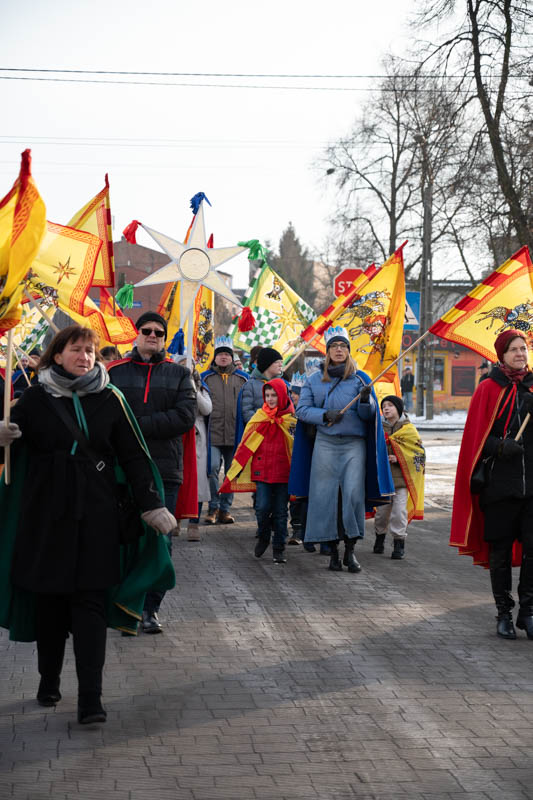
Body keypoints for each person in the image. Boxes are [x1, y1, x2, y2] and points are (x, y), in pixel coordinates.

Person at [0, 325, 176, 724]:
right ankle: (48, 679)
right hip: (45, 516)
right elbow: (13, 453)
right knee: (49, 604)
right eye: (76, 350)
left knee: (89, 604)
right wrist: (3, 436)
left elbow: (134, 456)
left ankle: (91, 699)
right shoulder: (32, 400)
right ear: (57, 355)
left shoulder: (110, 398)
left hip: (96, 516)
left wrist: (151, 505)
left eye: (90, 351)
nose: (84, 357)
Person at [107, 311, 197, 633]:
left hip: (165, 468)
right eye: (146, 330)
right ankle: (123, 604)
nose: (152, 336)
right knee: (122, 537)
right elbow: (103, 413)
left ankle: (150, 609)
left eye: (159, 332)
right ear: (137, 333)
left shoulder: (178, 374)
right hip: (121, 471)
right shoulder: (114, 372)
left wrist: (135, 427)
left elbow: (185, 415)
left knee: (161, 540)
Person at [451, 329, 533, 640]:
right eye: (513, 349)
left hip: (532, 484)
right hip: (499, 487)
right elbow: (476, 439)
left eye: (523, 349)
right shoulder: (488, 389)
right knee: (500, 552)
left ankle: (528, 611)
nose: (520, 354)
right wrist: (500, 446)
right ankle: (504, 612)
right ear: (501, 355)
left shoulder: (532, 387)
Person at [295, 326, 394, 573]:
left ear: (348, 351)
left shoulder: (361, 378)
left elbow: (369, 415)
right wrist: (324, 415)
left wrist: (364, 400)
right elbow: (302, 410)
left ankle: (350, 552)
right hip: (326, 443)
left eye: (343, 347)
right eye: (334, 347)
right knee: (325, 497)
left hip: (354, 444)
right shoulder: (314, 380)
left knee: (352, 495)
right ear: (327, 352)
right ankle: (332, 552)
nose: (339, 350)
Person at [220, 378, 296, 563]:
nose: (270, 399)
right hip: (262, 471)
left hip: (284, 473)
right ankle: (263, 536)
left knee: (280, 512)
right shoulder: (259, 417)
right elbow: (246, 445)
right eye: (267, 395)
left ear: (282, 395)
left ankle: (279, 548)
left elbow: (297, 450)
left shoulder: (291, 420)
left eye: (274, 395)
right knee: (261, 508)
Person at [201, 336, 249, 525]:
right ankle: (213, 507)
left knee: (232, 473)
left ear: (231, 357)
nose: (223, 357)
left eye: (226, 354)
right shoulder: (205, 378)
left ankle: (225, 510)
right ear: (215, 357)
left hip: (236, 435)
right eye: (220, 354)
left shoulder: (243, 378)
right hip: (212, 434)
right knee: (212, 468)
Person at [373, 395, 425, 560]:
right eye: (384, 406)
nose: (386, 409)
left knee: (399, 512)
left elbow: (419, 454)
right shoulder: (378, 428)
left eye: (390, 405)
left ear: (399, 408)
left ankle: (399, 542)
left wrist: (399, 457)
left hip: (401, 479)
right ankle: (379, 537)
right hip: (383, 479)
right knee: (382, 513)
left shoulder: (409, 430)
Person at [175, 355, 213, 542]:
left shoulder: (201, 386)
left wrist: (193, 389)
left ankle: (194, 522)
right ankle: (175, 520)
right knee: (177, 479)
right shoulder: (171, 384)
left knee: (197, 481)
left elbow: (207, 409)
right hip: (177, 435)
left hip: (197, 437)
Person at [239, 347, 284, 426]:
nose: (281, 364)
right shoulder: (250, 385)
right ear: (267, 364)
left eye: (281, 362)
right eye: (277, 362)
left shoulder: (282, 384)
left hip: (279, 430)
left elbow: (287, 409)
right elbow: (247, 411)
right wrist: (263, 424)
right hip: (259, 432)